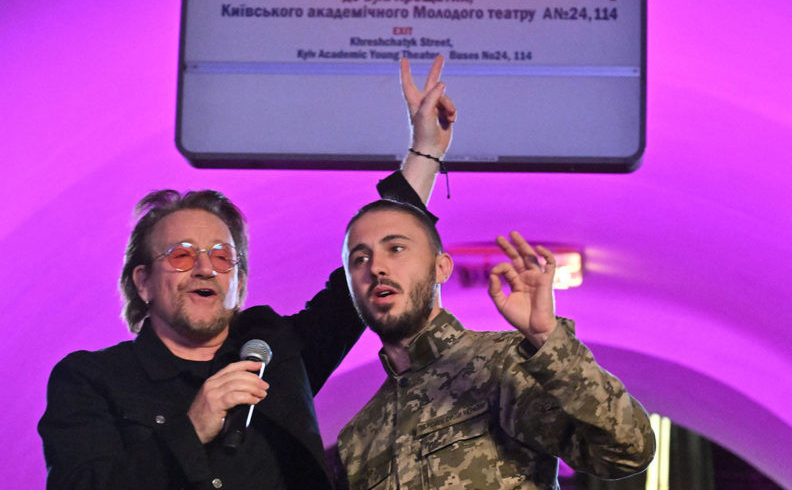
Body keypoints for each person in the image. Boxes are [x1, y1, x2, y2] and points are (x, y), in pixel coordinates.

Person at [38, 56, 456, 490]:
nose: (205, 268)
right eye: (182, 255)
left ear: (238, 283)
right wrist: (191, 429)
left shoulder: (279, 355)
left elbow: (359, 280)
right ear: (142, 281)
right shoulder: (92, 379)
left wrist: (425, 151)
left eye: (222, 257)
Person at [336, 199, 656, 489]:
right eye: (360, 258)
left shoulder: (505, 364)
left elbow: (627, 451)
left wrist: (549, 340)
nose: (375, 267)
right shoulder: (358, 438)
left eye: (396, 249)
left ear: (440, 268)